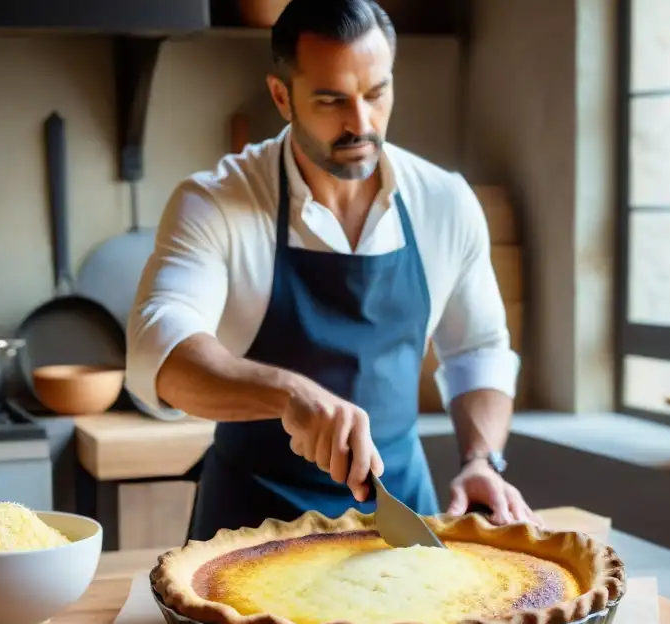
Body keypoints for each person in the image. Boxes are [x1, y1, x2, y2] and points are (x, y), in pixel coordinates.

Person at [125, 0, 538, 541]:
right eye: (332, 100)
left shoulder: (445, 202)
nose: (361, 124)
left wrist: (482, 459)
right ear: (282, 96)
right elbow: (162, 352)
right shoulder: (215, 202)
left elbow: (478, 349)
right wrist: (289, 395)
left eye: (376, 93)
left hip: (400, 517)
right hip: (253, 522)